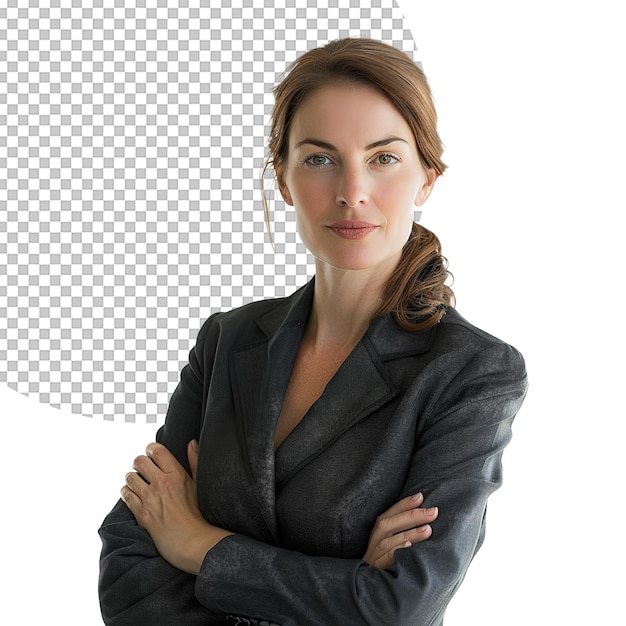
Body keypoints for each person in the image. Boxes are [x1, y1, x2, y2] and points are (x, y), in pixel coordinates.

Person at [98, 38, 527, 625]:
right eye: (321, 159)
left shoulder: (471, 372)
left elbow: (399, 607)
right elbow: (130, 565)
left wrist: (198, 544)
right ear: (283, 178)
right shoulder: (226, 342)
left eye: (384, 158)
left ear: (427, 177)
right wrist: (343, 585)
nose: (353, 191)